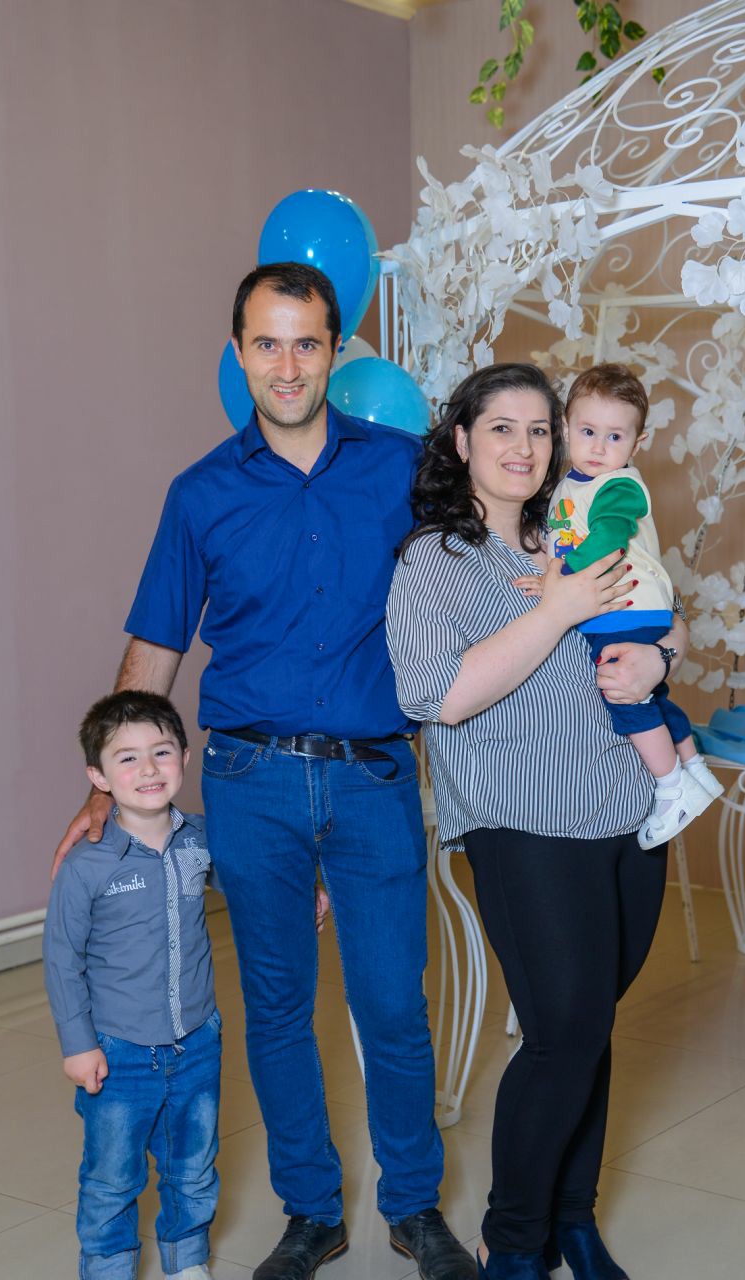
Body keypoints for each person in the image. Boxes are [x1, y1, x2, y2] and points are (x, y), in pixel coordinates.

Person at [52, 263, 475, 1280]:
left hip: (374, 779)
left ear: (336, 351)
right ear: (238, 354)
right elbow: (156, 648)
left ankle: (415, 1207)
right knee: (279, 1009)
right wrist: (99, 789)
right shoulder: (200, 493)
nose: (288, 365)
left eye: (307, 343)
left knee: (392, 1003)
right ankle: (311, 1210)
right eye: (267, 343)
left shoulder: (402, 469)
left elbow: (480, 576)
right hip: (250, 783)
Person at [386, 362, 689, 1280]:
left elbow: (661, 615)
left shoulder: (576, 524)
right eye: (501, 428)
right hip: (522, 821)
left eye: (539, 429)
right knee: (562, 1031)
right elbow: (436, 695)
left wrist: (660, 661)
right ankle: (513, 1239)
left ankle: (573, 1220)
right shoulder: (434, 560)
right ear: (461, 441)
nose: (524, 446)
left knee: (587, 1025)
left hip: (624, 813)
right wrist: (557, 609)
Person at [44, 691, 220, 1280]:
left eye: (161, 752)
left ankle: (186, 1261)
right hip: (118, 1051)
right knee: (112, 1177)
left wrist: (306, 892)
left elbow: (254, 882)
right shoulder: (87, 865)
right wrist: (78, 1045)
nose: (148, 769)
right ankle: (109, 1267)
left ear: (185, 758)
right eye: (127, 758)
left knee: (193, 1167)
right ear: (97, 778)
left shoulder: (201, 839)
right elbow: (62, 959)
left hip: (197, 1042)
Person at [519, 363, 722, 849]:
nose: (598, 447)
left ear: (638, 443)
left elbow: (607, 541)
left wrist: (556, 580)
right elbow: (567, 534)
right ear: (566, 426)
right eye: (588, 431)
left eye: (615, 437)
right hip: (621, 605)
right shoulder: (571, 484)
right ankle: (693, 766)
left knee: (622, 694)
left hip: (625, 604)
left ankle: (671, 788)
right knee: (649, 694)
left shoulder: (619, 485)